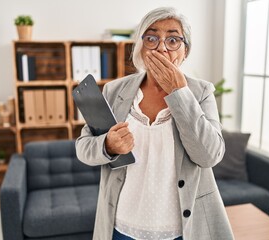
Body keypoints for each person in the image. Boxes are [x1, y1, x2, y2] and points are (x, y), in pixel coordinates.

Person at [76, 7, 234, 240]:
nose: (161, 47)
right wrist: (107, 145)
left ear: (185, 51)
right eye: (151, 38)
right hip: (122, 225)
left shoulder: (201, 93)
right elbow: (83, 148)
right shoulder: (114, 90)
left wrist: (178, 93)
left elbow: (209, 155)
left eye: (173, 39)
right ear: (140, 46)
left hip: (181, 230)